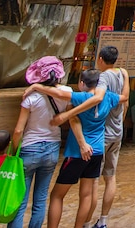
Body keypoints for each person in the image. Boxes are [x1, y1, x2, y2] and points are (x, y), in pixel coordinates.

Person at [49, 47, 130, 228]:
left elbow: (76, 107)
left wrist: (39, 88)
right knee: (107, 179)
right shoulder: (115, 88)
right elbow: (125, 98)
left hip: (90, 144)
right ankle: (99, 221)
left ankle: (88, 222)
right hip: (109, 139)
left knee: (69, 192)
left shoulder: (89, 92)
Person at [28, 69, 119, 228]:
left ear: (82, 83)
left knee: (57, 195)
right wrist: (124, 75)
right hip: (97, 151)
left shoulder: (80, 98)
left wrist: (36, 86)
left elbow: (60, 94)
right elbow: (124, 97)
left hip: (77, 152)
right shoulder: (109, 97)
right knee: (86, 195)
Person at [9, 57, 71, 228]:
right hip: (51, 149)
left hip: (29, 148)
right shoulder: (65, 92)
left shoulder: (31, 97)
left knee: (20, 200)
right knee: (40, 199)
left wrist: (14, 152)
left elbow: (18, 130)